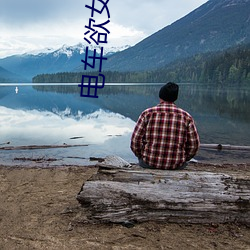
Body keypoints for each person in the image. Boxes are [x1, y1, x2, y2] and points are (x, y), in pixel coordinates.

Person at [130, 82, 200, 170]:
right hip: (176, 165)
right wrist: (184, 158)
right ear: (175, 98)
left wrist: (141, 156)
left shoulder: (147, 114)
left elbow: (135, 142)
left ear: (160, 96)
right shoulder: (186, 116)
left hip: (149, 162)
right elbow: (194, 145)